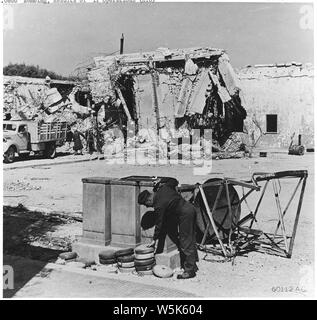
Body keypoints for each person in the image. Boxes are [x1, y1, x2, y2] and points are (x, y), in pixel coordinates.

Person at [138, 177, 199, 279]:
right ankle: (193, 263)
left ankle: (190, 271)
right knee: (190, 238)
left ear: (149, 199)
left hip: (185, 214)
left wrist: (154, 239)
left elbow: (159, 224)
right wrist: (161, 180)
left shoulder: (158, 205)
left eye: (147, 205)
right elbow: (174, 180)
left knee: (185, 242)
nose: (149, 207)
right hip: (190, 209)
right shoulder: (163, 187)